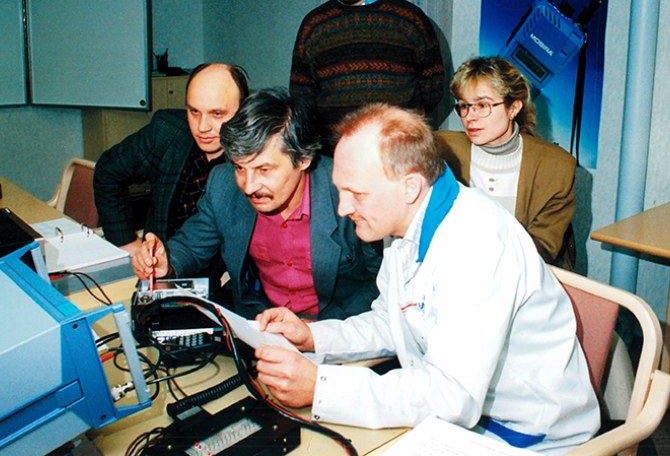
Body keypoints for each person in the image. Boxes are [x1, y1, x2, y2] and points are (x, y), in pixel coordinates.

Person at [253, 104, 600, 455]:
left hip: (527, 436)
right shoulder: (407, 221)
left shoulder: (477, 242)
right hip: (464, 417)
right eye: (341, 191)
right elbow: (393, 320)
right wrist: (312, 336)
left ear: (410, 186)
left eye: (357, 194)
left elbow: (452, 396)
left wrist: (322, 387)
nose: (343, 208)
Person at [132, 88, 382, 320]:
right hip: (257, 325)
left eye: (264, 170)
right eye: (240, 168)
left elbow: (381, 283)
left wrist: (321, 332)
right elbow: (191, 247)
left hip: (335, 328)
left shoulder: (350, 193)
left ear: (303, 159)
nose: (248, 186)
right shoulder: (224, 186)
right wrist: (166, 263)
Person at [289, 0, 445, 152]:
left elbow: (432, 90)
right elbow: (302, 99)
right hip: (335, 159)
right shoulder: (314, 26)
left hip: (398, 157)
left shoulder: (410, 20)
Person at [94, 63, 249, 260]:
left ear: (242, 112)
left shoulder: (254, 163)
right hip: (157, 265)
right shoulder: (168, 132)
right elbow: (108, 170)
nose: (202, 127)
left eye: (217, 114)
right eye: (194, 111)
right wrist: (126, 242)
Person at [436, 56, 576, 269]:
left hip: (523, 275)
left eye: (482, 105)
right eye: (464, 105)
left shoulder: (557, 167)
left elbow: (542, 250)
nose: (469, 117)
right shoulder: (440, 149)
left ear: (513, 108)